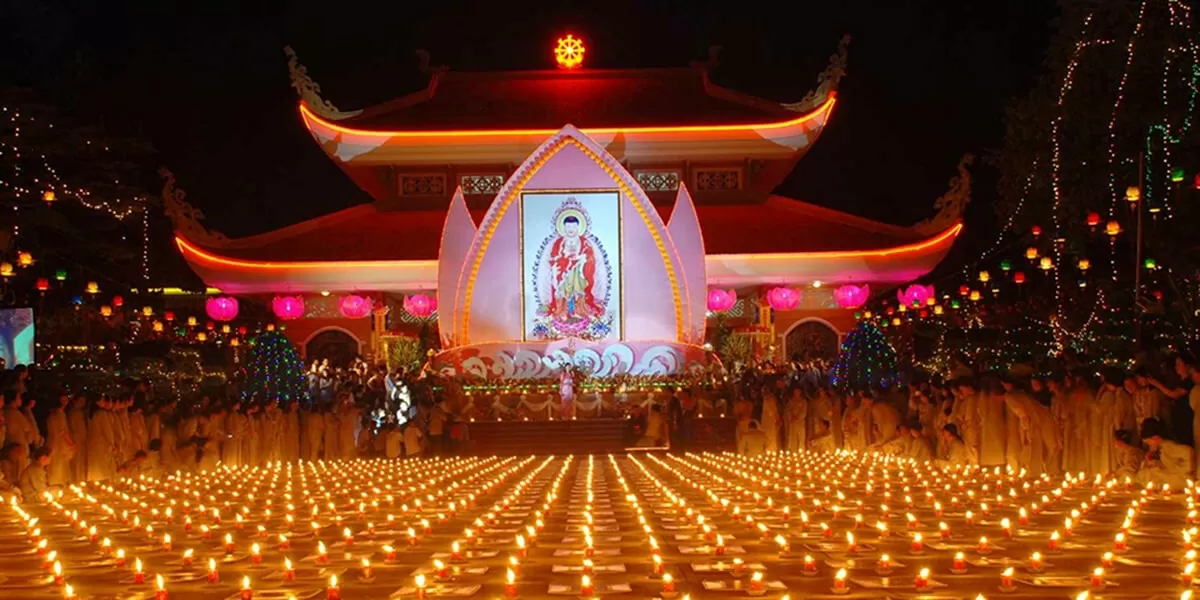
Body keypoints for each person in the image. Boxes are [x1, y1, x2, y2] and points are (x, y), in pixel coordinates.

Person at [1137, 417, 1193, 489]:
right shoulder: (1162, 447)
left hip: (1181, 478)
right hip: (1173, 475)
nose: (1149, 444)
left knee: (1151, 473)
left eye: (1148, 442)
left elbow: (1188, 452)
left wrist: (1185, 471)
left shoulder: (1168, 446)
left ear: (1155, 437)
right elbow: (1169, 463)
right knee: (1149, 472)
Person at [45, 394, 74, 486]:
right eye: (63, 400)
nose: (65, 402)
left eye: (66, 399)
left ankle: (56, 482)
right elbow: (62, 431)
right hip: (59, 442)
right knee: (59, 463)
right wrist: (71, 443)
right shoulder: (59, 414)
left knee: (56, 462)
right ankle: (57, 483)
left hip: (53, 441)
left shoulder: (53, 414)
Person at [67, 394, 88, 483]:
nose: (82, 404)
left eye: (84, 402)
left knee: (81, 460)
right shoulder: (74, 413)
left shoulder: (80, 413)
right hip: (76, 438)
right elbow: (75, 427)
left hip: (82, 438)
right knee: (77, 461)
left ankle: (80, 479)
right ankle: (77, 480)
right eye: (80, 401)